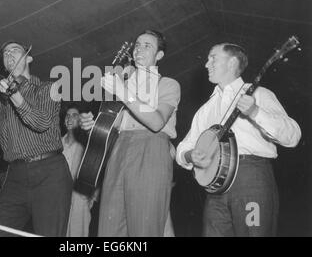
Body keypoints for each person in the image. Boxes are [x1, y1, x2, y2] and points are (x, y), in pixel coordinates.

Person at [176, 43, 301, 237]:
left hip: (251, 179)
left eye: (213, 58)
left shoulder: (258, 94)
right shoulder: (206, 109)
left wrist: (255, 112)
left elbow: (293, 136)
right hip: (215, 189)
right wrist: (191, 155)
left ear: (232, 62)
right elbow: (183, 147)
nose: (207, 64)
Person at [0, 41, 72, 237]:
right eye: (5, 52)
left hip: (50, 173)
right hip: (15, 176)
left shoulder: (48, 88)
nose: (9, 53)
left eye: (15, 50)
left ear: (29, 57)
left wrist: (16, 96)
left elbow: (41, 123)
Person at [80, 30, 180, 237]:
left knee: (144, 229)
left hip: (151, 148)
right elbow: (113, 123)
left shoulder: (168, 84)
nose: (139, 49)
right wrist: (93, 124)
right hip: (120, 149)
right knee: (109, 228)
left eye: (147, 46)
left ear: (159, 55)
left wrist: (123, 92)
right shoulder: (122, 83)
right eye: (137, 45)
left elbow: (156, 121)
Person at [61, 104, 95, 237]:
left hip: (79, 198)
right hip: (59, 198)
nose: (69, 118)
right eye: (67, 115)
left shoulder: (87, 143)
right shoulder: (56, 143)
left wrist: (91, 197)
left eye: (74, 115)